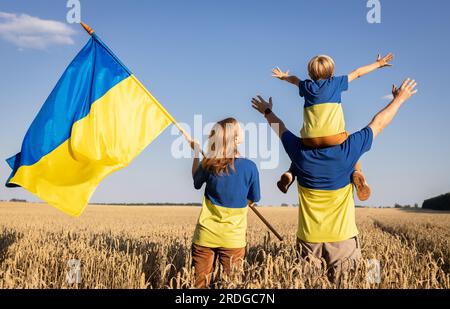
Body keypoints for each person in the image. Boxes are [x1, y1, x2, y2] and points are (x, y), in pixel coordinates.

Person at [251, 78, 417, 281]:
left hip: (308, 239)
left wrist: (267, 111)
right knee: (361, 279)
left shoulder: (299, 152)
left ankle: (290, 175)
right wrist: (399, 99)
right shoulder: (348, 149)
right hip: (343, 238)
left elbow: (280, 128)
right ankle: (359, 176)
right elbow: (379, 123)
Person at [272, 53, 394, 201]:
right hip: (334, 137)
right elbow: (357, 73)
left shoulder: (306, 86)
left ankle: (290, 173)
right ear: (332, 72)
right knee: (350, 143)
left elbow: (295, 80)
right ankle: (358, 173)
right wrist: (378, 64)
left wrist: (283, 76)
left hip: (309, 139)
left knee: (300, 152)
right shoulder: (336, 83)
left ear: (310, 74)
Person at [189, 117, 261, 288]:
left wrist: (196, 153)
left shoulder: (209, 163)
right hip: (233, 239)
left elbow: (196, 181)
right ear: (234, 138)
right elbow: (254, 198)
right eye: (240, 128)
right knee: (232, 287)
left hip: (205, 236)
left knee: (200, 284)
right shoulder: (250, 167)